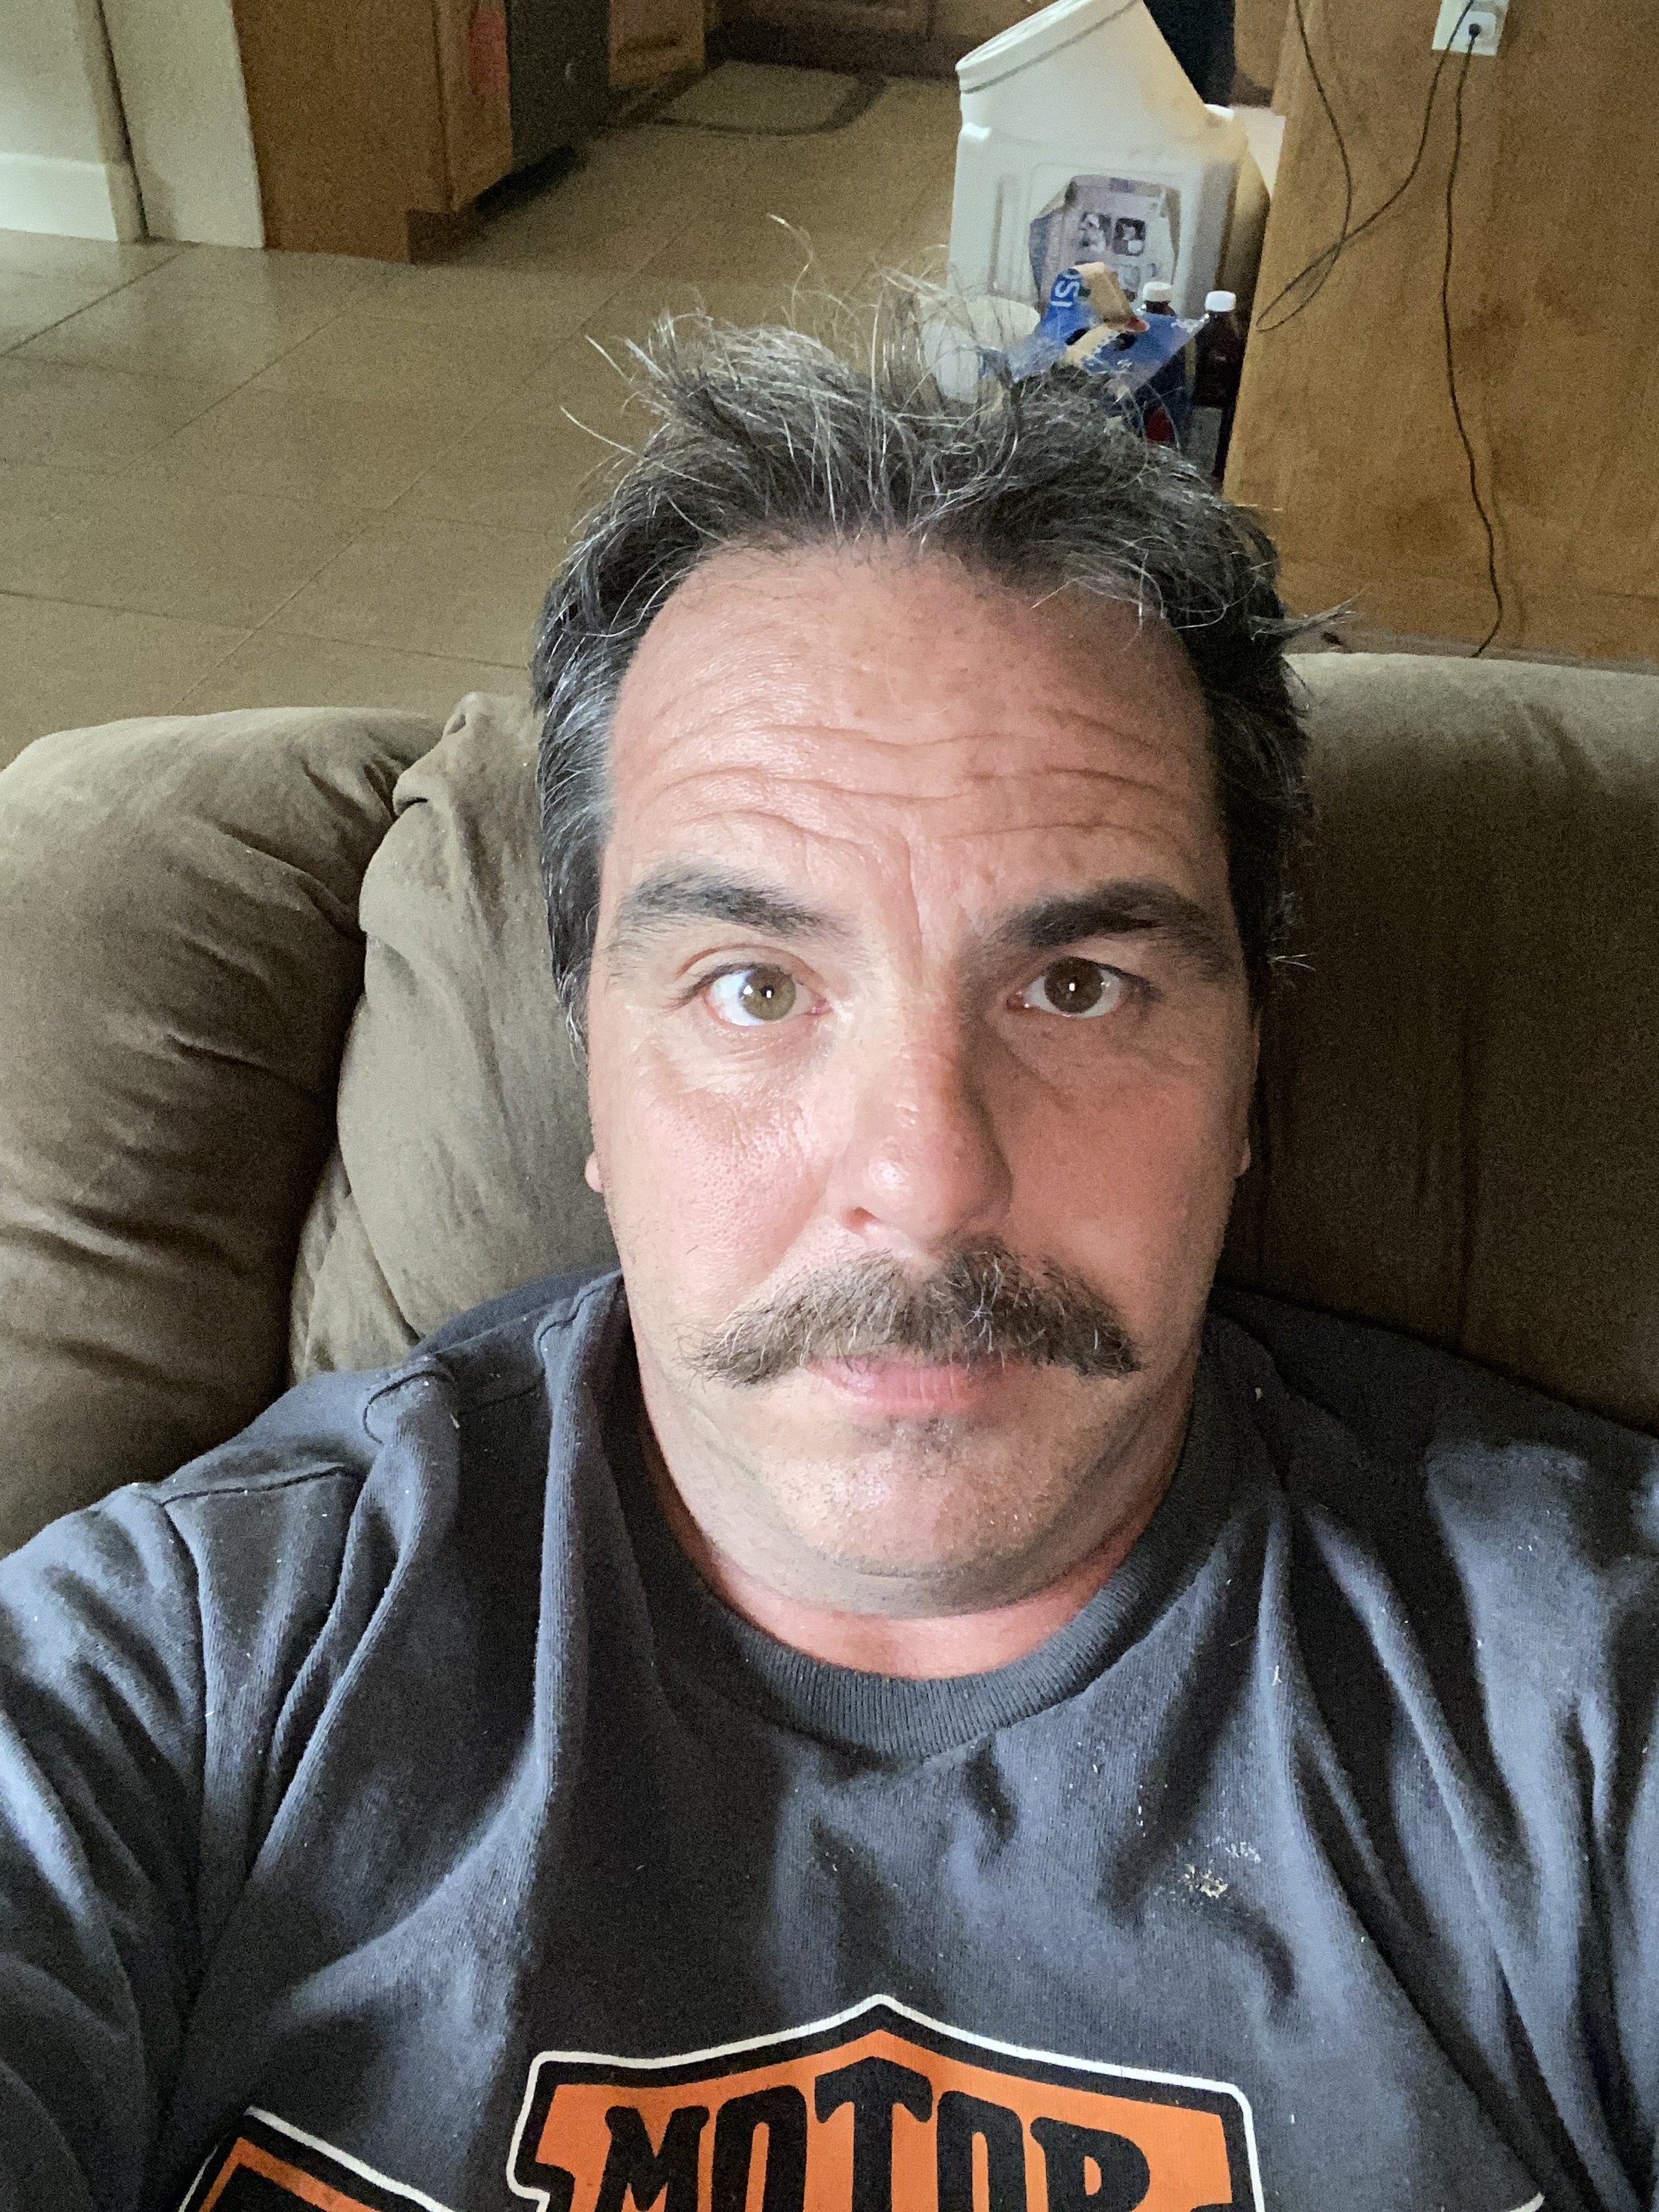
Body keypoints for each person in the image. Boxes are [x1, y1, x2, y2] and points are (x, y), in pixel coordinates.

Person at [0, 314, 1654, 2212]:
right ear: (592, 1069)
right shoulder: (183, 1665)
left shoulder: (1585, 1700)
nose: (925, 1183)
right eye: (755, 986)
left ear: (1243, 1084)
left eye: (1076, 984)